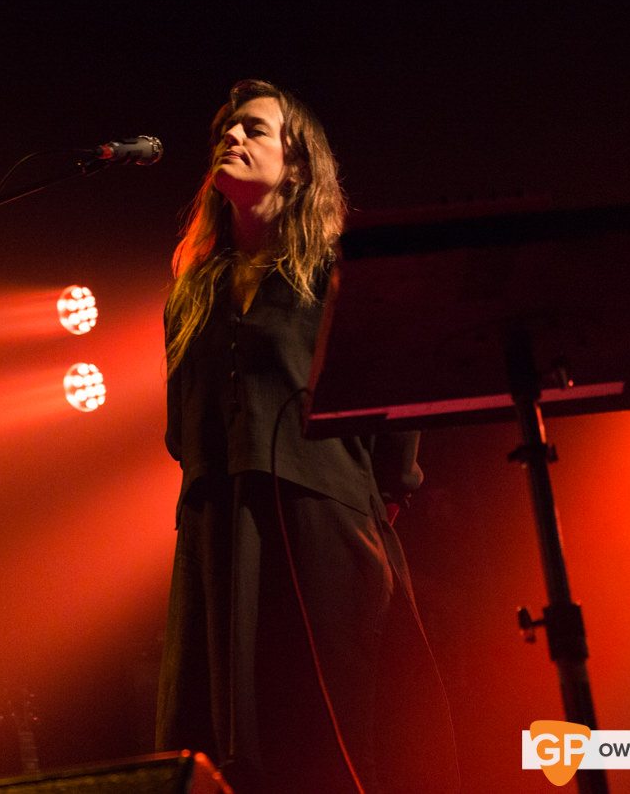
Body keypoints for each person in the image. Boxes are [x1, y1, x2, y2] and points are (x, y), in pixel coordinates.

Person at [155, 79, 460, 793]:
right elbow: (180, 428)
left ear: (297, 163)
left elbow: (394, 399)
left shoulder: (333, 269)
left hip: (320, 516)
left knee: (329, 729)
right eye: (226, 131)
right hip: (216, 530)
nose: (233, 138)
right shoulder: (190, 290)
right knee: (219, 740)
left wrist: (380, 496)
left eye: (255, 129)